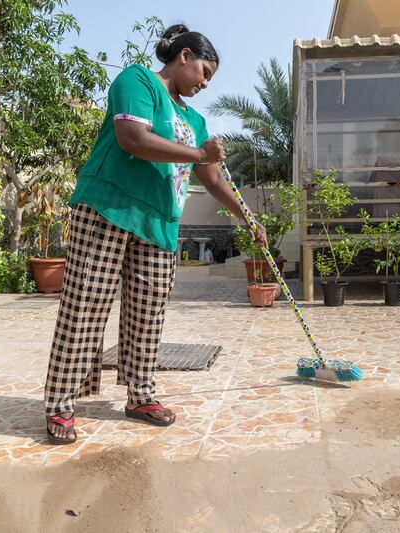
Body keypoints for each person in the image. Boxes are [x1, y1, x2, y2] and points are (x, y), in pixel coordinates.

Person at [44, 24, 267, 444]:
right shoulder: (137, 80)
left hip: (161, 222)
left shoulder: (194, 119)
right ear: (183, 56)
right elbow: (133, 139)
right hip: (110, 207)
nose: (204, 83)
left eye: (210, 79)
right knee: (85, 306)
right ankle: (60, 403)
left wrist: (248, 218)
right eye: (204, 71)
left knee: (148, 313)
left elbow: (215, 180)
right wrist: (200, 153)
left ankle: (140, 395)